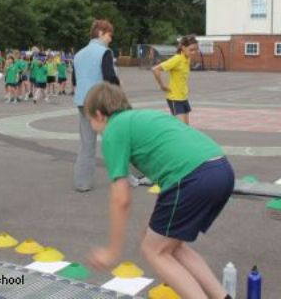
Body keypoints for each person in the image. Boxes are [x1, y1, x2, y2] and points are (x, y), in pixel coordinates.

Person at [85, 82, 234, 299]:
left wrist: (112, 251)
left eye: (90, 120)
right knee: (168, 243)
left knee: (154, 250)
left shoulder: (113, 130)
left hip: (192, 178)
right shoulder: (141, 118)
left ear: (99, 114)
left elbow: (120, 199)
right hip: (221, 169)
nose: (92, 127)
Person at [72, 19, 119, 192]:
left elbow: (75, 80)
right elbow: (109, 78)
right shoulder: (104, 52)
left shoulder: (78, 54)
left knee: (86, 144)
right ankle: (126, 177)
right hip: (99, 102)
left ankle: (82, 183)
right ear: (100, 33)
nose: (110, 39)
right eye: (109, 35)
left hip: (81, 101)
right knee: (117, 139)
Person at [152, 35, 198, 124]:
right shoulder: (177, 59)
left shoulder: (187, 58)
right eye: (191, 50)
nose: (194, 52)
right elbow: (155, 69)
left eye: (195, 50)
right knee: (181, 129)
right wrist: (162, 85)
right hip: (175, 98)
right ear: (183, 48)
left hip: (183, 97)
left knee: (185, 128)